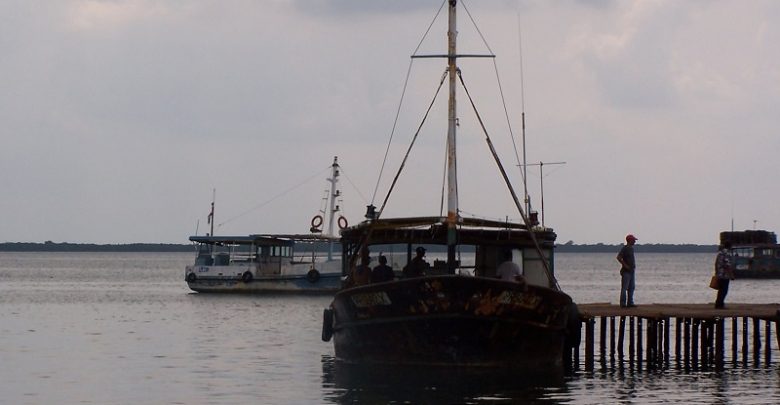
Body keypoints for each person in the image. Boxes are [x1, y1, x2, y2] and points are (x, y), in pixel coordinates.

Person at [616, 234, 638, 308]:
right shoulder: (625, 248)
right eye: (633, 240)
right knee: (624, 288)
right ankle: (623, 304)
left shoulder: (631, 248)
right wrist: (625, 265)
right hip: (626, 271)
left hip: (632, 271)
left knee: (631, 287)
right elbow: (619, 257)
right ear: (630, 240)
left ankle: (630, 303)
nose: (635, 241)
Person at [714, 241, 735, 309]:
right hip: (724, 275)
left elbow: (716, 264)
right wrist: (731, 274)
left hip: (719, 274)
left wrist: (716, 273)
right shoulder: (726, 253)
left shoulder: (720, 253)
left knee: (720, 290)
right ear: (730, 246)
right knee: (724, 290)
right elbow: (727, 265)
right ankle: (720, 304)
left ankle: (718, 304)